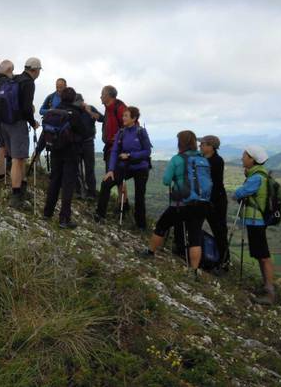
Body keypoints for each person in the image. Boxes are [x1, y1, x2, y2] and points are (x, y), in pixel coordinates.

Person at [139, 131, 209, 282]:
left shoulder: (177, 159)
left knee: (161, 225)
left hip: (182, 204)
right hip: (202, 203)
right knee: (195, 237)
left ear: (180, 143)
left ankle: (150, 252)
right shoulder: (202, 159)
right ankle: (194, 271)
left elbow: (166, 180)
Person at [95, 107, 151, 229]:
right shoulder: (121, 133)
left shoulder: (141, 132)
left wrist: (130, 155)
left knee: (139, 196)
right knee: (106, 183)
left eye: (126, 116)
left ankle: (141, 225)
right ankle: (99, 215)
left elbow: (147, 151)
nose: (123, 118)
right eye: (123, 115)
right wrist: (110, 170)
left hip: (141, 167)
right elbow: (114, 151)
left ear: (134, 118)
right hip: (126, 166)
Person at [234, 145, 275, 305]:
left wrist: (237, 192)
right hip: (257, 221)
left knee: (263, 256)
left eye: (244, 155)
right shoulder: (258, 174)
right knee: (260, 255)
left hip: (255, 221)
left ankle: (269, 292)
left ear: (252, 159)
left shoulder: (256, 177)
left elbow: (239, 193)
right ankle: (266, 287)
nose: (242, 158)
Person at [41, 88, 87, 228]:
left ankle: (47, 213)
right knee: (67, 186)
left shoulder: (52, 112)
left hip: (55, 151)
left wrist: (38, 149)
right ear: (73, 99)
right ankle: (64, 219)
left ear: (61, 98)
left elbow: (45, 132)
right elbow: (84, 133)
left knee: (54, 181)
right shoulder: (74, 114)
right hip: (70, 153)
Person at [3, 57, 42, 208]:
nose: (39, 73)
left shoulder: (16, 78)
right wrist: (33, 123)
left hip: (4, 122)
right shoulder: (29, 82)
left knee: (16, 158)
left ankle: (20, 188)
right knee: (18, 160)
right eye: (39, 70)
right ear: (35, 70)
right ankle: (16, 196)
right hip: (17, 124)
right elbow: (26, 108)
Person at [200, 135, 229, 274]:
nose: (200, 146)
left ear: (211, 146)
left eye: (203, 144)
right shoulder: (204, 159)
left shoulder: (217, 161)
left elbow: (215, 184)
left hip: (215, 201)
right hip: (207, 199)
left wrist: (209, 201)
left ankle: (223, 263)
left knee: (219, 231)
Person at [100, 85, 129, 210]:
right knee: (117, 177)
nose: (100, 96)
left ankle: (123, 204)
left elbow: (131, 125)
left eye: (102, 94)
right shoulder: (109, 108)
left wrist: (119, 139)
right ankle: (123, 203)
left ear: (108, 96)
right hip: (110, 147)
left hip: (118, 148)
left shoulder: (119, 108)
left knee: (115, 176)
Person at [75, 102, 104, 200]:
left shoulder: (90, 108)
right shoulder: (73, 109)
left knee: (89, 168)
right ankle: (79, 192)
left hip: (88, 142)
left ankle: (91, 193)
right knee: (76, 169)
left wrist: (89, 111)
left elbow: (102, 118)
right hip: (76, 143)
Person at [0, 60, 15, 181]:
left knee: (0, 146)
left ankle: (1, 174)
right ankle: (11, 174)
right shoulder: (9, 83)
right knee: (9, 147)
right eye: (12, 70)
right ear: (9, 70)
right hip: (8, 119)